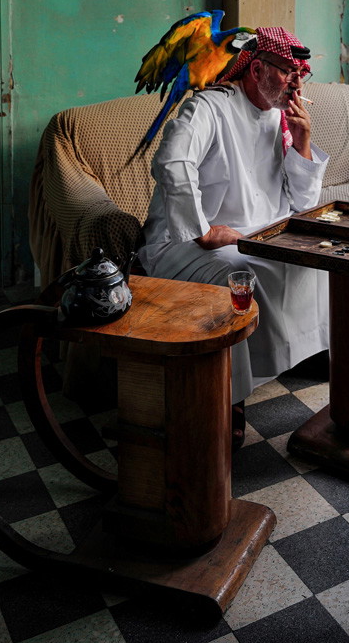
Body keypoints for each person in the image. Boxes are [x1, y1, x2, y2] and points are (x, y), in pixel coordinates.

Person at [137, 26, 330, 449]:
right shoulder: (210, 107)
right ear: (256, 68)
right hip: (184, 241)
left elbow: (300, 204)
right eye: (288, 72)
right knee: (239, 279)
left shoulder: (282, 116)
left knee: (322, 260)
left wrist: (302, 141)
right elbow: (171, 162)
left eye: (302, 74)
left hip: (257, 233)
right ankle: (231, 397)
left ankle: (303, 352)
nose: (298, 83)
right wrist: (202, 229)